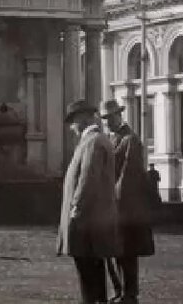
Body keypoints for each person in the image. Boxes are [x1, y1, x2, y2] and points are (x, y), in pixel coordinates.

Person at [57, 100, 118, 304]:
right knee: (93, 265)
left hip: (87, 219)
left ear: (82, 119)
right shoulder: (95, 140)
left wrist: (76, 207)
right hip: (93, 217)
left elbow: (88, 179)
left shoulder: (92, 141)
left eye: (73, 122)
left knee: (87, 267)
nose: (72, 127)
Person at [101, 100, 155, 304]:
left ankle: (129, 294)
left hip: (127, 206)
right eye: (105, 119)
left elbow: (128, 177)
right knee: (117, 250)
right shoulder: (113, 139)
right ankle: (121, 291)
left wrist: (115, 203)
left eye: (111, 117)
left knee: (128, 251)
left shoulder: (129, 140)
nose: (107, 122)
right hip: (115, 203)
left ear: (119, 115)